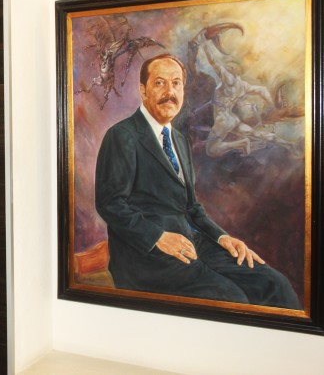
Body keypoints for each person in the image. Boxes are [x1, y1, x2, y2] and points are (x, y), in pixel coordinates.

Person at [94, 53, 301, 309]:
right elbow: (110, 204)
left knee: (274, 284)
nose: (170, 91)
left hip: (194, 244)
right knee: (232, 299)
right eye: (159, 83)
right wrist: (159, 237)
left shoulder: (179, 139)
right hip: (146, 256)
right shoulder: (121, 136)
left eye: (176, 83)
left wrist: (223, 238)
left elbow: (191, 207)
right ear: (143, 90)